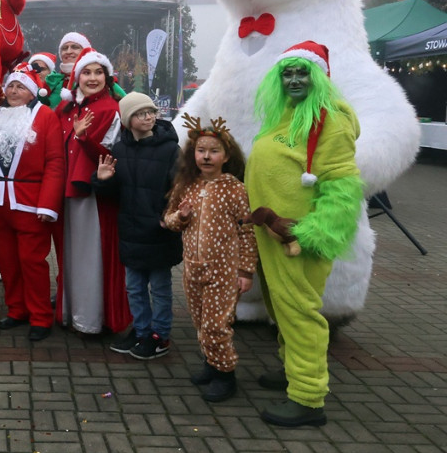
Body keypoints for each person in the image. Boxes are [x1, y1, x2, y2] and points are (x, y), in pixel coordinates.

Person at [246, 41, 363, 427]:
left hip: (297, 239)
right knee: (281, 308)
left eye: (302, 73)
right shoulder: (286, 114)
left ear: (319, 77)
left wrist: (312, 233)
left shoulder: (331, 120)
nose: (294, 80)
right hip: (272, 233)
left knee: (299, 312)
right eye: (287, 73)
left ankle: (308, 397)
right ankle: (291, 369)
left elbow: (342, 186)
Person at [0, 67, 65, 341]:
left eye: (21, 87)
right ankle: (17, 309)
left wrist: (48, 205)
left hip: (30, 203)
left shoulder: (46, 116)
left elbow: (55, 162)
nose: (14, 91)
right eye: (10, 86)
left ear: (32, 92)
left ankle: (40, 317)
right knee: (7, 262)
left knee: (32, 262)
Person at [163, 113, 257, 403]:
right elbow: (169, 220)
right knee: (201, 322)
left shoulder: (235, 189)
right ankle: (211, 364)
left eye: (214, 151)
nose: (206, 156)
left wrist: (246, 271)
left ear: (226, 156)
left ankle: (225, 375)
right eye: (201, 150)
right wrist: (181, 216)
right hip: (193, 269)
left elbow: (247, 231)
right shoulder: (186, 185)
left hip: (224, 272)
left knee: (217, 325)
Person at [93, 93, 182, 359]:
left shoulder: (170, 149)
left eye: (151, 112)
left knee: (160, 288)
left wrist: (169, 215)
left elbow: (180, 188)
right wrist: (103, 180)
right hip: (131, 231)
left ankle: (160, 336)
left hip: (159, 232)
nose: (148, 117)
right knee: (134, 288)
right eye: (141, 113)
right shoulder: (120, 150)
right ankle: (141, 331)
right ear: (128, 119)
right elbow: (114, 193)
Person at [55, 48, 130, 336]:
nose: (93, 78)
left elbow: (110, 157)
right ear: (77, 78)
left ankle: (92, 319)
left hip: (95, 196)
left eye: (99, 72)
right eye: (87, 72)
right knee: (72, 255)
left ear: (107, 78)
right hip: (69, 193)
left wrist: (84, 138)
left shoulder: (110, 109)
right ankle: (74, 313)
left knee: (92, 257)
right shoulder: (68, 109)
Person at [57, 32, 90, 101]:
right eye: (64, 48)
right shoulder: (52, 82)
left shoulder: (99, 80)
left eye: (75, 47)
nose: (68, 52)